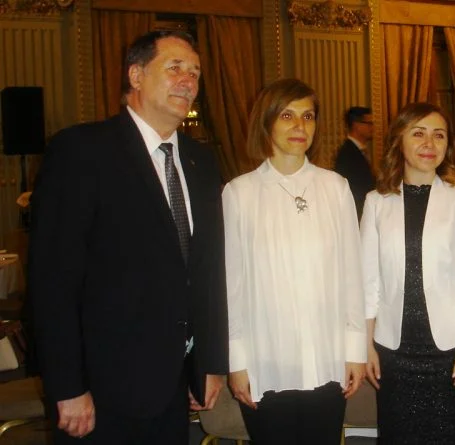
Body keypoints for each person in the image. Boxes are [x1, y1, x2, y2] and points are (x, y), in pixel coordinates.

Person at [28, 30, 227, 444]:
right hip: (102, 389)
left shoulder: (202, 161)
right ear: (136, 75)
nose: (188, 81)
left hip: (174, 384)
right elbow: (53, 280)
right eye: (174, 68)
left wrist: (208, 362)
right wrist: (67, 386)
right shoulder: (82, 151)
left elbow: (207, 273)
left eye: (195, 72)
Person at [224, 78, 366, 444]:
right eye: (287, 115)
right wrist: (237, 362)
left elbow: (353, 275)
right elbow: (231, 287)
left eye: (308, 116)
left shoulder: (336, 187)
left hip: (328, 357)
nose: (300, 125)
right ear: (267, 121)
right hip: (266, 360)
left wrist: (355, 350)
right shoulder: (239, 193)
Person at [361, 102, 455, 443]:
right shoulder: (376, 202)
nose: (429, 144)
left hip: (450, 349)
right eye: (418, 134)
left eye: (439, 135)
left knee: (451, 436)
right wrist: (367, 345)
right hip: (393, 349)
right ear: (399, 141)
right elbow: (368, 282)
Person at [335, 106, 376, 218]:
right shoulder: (347, 154)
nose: (372, 127)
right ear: (356, 125)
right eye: (369, 123)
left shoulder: (359, 150)